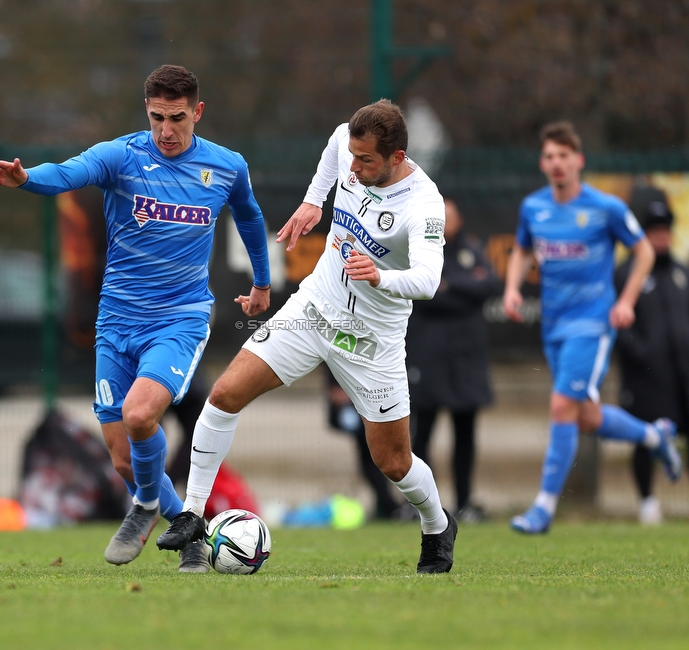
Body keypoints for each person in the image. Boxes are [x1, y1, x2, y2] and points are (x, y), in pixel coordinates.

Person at [0, 65, 271, 572]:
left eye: (177, 118)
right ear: (147, 111)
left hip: (179, 318)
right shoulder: (121, 156)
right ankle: (192, 538)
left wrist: (263, 282)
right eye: (158, 117)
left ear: (197, 112)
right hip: (116, 322)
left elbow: (248, 215)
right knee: (122, 456)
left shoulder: (226, 166)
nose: (166, 129)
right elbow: (66, 174)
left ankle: (143, 507)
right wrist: (28, 179)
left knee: (141, 416)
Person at [156, 99, 459, 574]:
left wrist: (380, 278)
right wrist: (314, 201)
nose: (354, 169)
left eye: (366, 162)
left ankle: (438, 525)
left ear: (397, 157)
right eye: (352, 158)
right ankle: (192, 513)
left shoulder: (423, 204)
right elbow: (339, 139)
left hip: (370, 341)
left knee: (394, 462)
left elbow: (427, 280)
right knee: (223, 396)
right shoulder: (349, 144)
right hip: (312, 310)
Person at [502, 121, 683, 535]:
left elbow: (643, 254)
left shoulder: (607, 208)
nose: (556, 163)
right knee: (584, 416)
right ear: (542, 164)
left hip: (593, 323)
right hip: (554, 326)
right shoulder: (534, 207)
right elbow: (522, 250)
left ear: (578, 160)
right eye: (549, 156)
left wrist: (625, 301)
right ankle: (656, 437)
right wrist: (512, 288)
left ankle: (543, 508)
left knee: (562, 406)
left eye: (564, 156)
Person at [615, 198, 689, 526]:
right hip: (646, 377)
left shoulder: (682, 271)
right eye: (654, 231)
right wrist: (641, 353)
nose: (661, 237)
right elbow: (617, 323)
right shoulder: (627, 273)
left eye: (665, 231)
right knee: (645, 438)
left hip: (685, 374)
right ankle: (647, 505)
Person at [406, 198, 502, 524]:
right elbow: (426, 292)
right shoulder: (420, 252)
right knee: (422, 437)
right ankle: (420, 505)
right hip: (429, 361)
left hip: (466, 364)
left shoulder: (473, 251)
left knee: (465, 436)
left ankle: (465, 503)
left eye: (452, 216)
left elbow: (488, 284)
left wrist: (450, 285)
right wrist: (461, 290)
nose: (447, 222)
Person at [325, 367, 410, 521]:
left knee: (383, 454)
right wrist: (336, 384)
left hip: (383, 388)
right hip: (362, 390)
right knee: (370, 453)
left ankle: (395, 507)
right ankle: (391, 507)